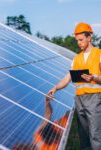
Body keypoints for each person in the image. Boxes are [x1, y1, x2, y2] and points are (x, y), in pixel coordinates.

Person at [48, 22, 101, 150]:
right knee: (84, 135)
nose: (79, 43)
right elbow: (67, 78)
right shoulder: (76, 59)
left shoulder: (99, 54)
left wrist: (94, 77)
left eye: (81, 40)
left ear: (89, 38)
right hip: (79, 100)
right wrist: (56, 87)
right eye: (77, 40)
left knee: (95, 134)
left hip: (95, 99)